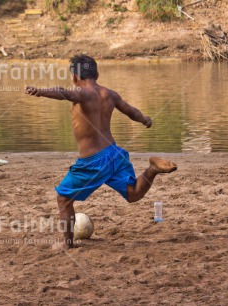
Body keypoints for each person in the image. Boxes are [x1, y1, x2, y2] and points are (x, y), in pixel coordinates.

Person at [24, 55, 177, 249]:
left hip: (92, 162)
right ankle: (152, 170)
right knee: (133, 194)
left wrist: (40, 91)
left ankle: (67, 244)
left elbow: (63, 93)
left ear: (74, 77)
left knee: (63, 199)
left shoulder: (82, 93)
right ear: (97, 74)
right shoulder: (109, 94)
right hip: (114, 153)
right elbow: (131, 111)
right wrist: (145, 119)